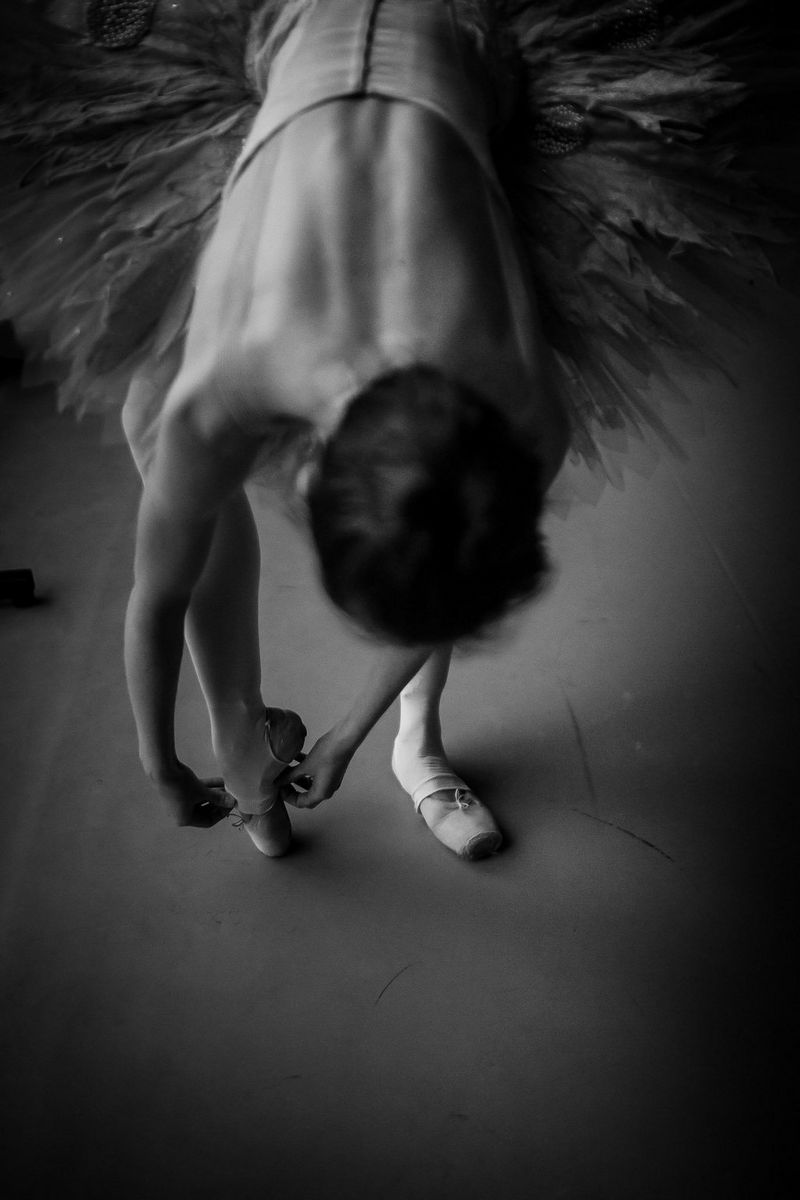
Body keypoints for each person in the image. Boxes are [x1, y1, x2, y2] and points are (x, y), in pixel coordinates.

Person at [1, 0, 789, 861]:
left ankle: (416, 743)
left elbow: (450, 573)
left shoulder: (519, 406)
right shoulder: (227, 384)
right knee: (169, 451)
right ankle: (243, 744)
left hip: (438, 61)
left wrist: (345, 733)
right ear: (305, 475)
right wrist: (165, 766)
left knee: (379, 535)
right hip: (324, 33)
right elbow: (157, 598)